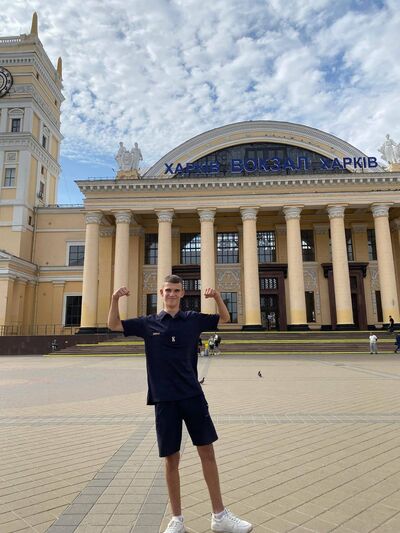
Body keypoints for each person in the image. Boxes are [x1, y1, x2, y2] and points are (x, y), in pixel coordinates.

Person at [108, 274, 252, 533]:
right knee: (171, 459)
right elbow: (114, 325)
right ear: (161, 294)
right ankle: (177, 520)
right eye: (167, 290)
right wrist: (114, 299)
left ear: (182, 294)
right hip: (164, 400)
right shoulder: (148, 323)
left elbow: (225, 319)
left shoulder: (192, 319)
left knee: (207, 452)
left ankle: (220, 516)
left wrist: (217, 297)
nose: (172, 294)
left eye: (176, 290)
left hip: (192, 395)